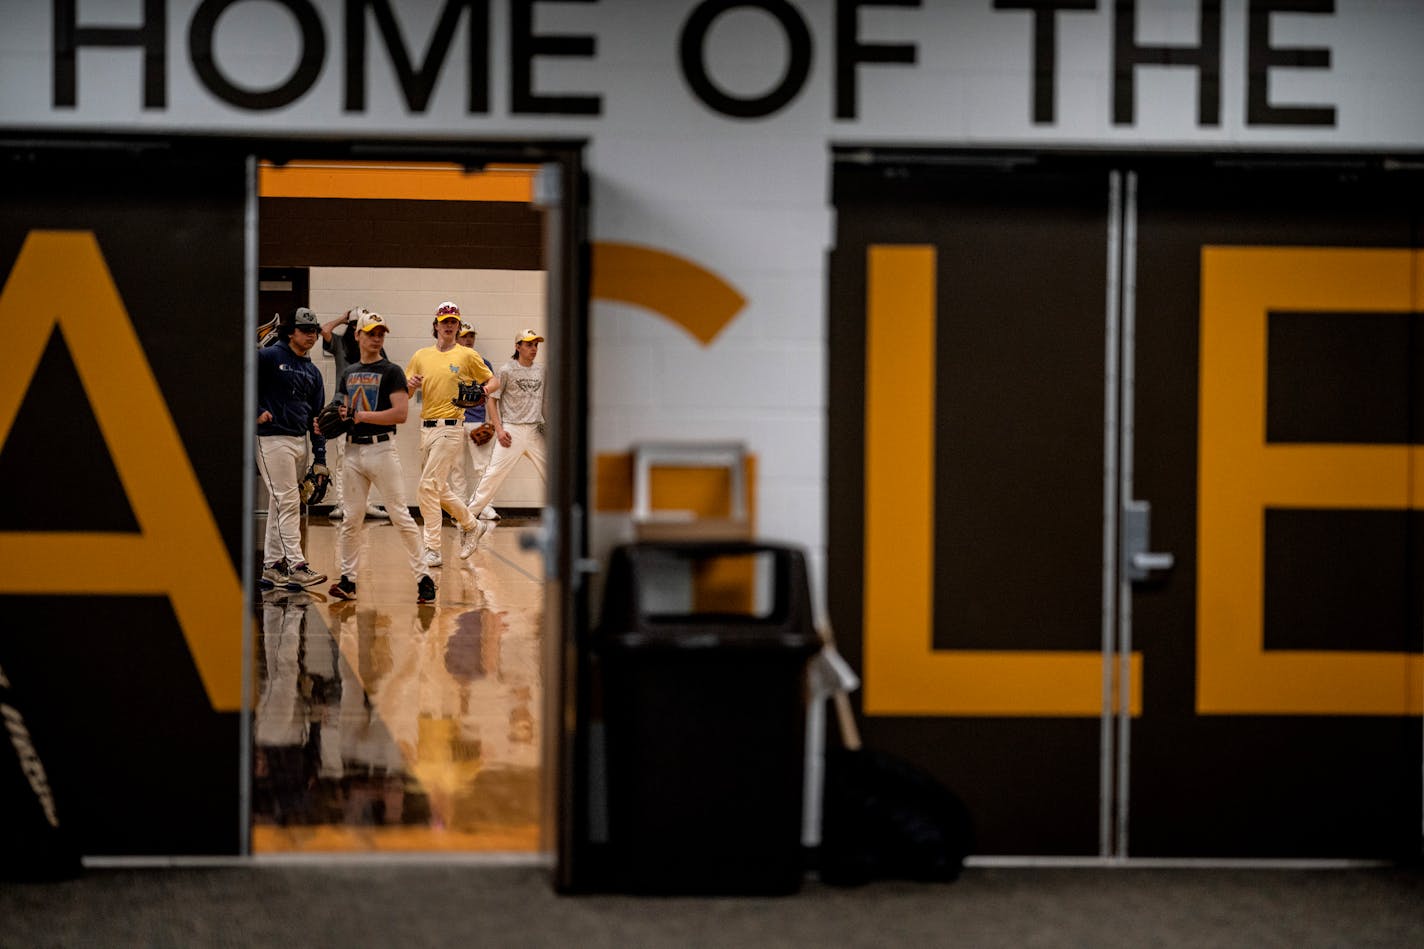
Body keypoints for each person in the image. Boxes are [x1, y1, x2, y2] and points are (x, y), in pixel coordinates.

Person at [322, 310, 437, 605]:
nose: (376, 338)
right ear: (358, 335)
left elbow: (399, 414)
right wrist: (329, 419)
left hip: (382, 449)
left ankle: (424, 577)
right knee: (351, 519)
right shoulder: (349, 373)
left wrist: (361, 415)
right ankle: (348, 581)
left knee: (400, 514)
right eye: (371, 332)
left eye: (381, 333)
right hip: (352, 451)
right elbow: (343, 410)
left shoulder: (392, 371)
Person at [404, 301, 500, 567]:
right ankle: (471, 524)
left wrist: (483, 392)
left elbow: (493, 381)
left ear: (458, 326)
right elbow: (407, 392)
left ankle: (432, 548)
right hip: (427, 427)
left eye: (453, 322)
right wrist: (410, 385)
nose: (448, 325)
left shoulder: (467, 355)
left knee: (427, 487)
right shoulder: (421, 355)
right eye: (444, 321)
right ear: (435, 326)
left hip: (451, 427)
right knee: (439, 488)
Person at [255, 307, 328, 591]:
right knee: (287, 501)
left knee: (281, 503)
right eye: (305, 330)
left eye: (314, 331)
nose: (311, 335)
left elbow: (317, 417)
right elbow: (244, 384)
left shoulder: (312, 371)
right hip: (272, 439)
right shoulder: (269, 357)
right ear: (290, 332)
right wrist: (257, 410)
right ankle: (296, 565)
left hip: (300, 441)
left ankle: (272, 566)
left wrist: (320, 457)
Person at [465, 328, 548, 551]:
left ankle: (564, 520)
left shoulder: (542, 371)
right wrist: (499, 429)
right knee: (492, 475)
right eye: (528, 344)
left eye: (536, 344)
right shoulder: (506, 370)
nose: (533, 349)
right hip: (511, 430)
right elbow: (491, 400)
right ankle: (467, 520)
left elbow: (546, 400)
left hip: (535, 430)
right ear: (518, 346)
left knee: (554, 475)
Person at [319, 307, 389, 521]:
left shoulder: (377, 351)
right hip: (343, 409)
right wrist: (342, 318)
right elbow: (324, 329)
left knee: (369, 459)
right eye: (354, 325)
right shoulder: (340, 344)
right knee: (344, 457)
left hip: (369, 411)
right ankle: (342, 503)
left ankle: (365, 504)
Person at [451, 322, 499, 521]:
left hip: (476, 419)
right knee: (456, 466)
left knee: (484, 468)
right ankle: (460, 506)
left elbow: (490, 392)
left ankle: (485, 505)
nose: (468, 339)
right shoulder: (449, 361)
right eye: (464, 336)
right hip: (453, 420)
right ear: (457, 338)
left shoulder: (483, 363)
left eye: (471, 336)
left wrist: (491, 422)